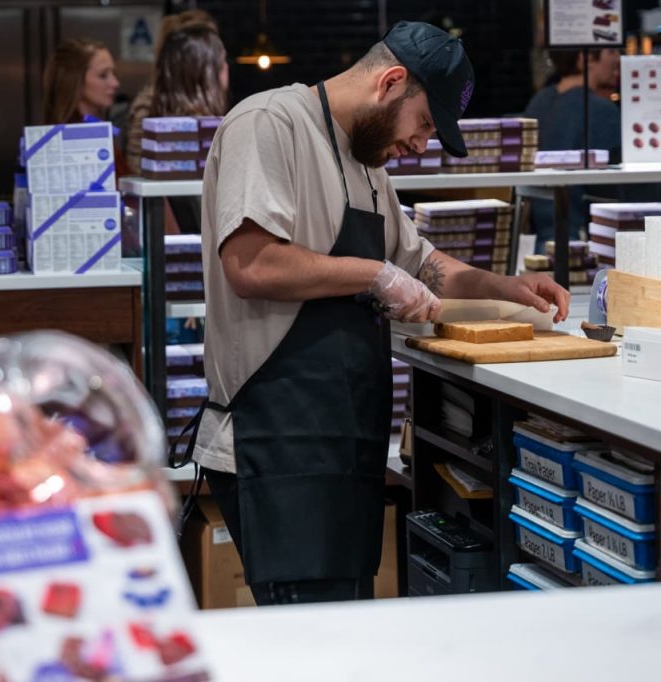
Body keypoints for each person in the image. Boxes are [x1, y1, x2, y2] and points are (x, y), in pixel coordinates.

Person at [187, 21, 570, 606]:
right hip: (276, 441)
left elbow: (420, 263)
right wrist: (373, 274)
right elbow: (253, 264)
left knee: (345, 630)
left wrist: (507, 286)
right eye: (423, 124)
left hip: (342, 440)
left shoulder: (368, 165)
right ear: (391, 82)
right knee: (309, 642)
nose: (421, 145)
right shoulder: (269, 124)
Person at [523, 49, 621, 251]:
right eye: (610, 51)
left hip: (536, 242)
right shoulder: (601, 110)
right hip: (581, 240)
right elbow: (613, 188)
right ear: (584, 58)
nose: (617, 58)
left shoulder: (538, 102)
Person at [125, 10, 219, 171]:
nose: (214, 55)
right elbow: (138, 168)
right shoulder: (149, 104)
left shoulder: (202, 99)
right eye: (205, 45)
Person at [42, 38, 120, 124]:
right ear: (75, 81)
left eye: (114, 73)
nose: (115, 83)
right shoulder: (66, 135)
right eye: (103, 75)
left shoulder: (107, 126)